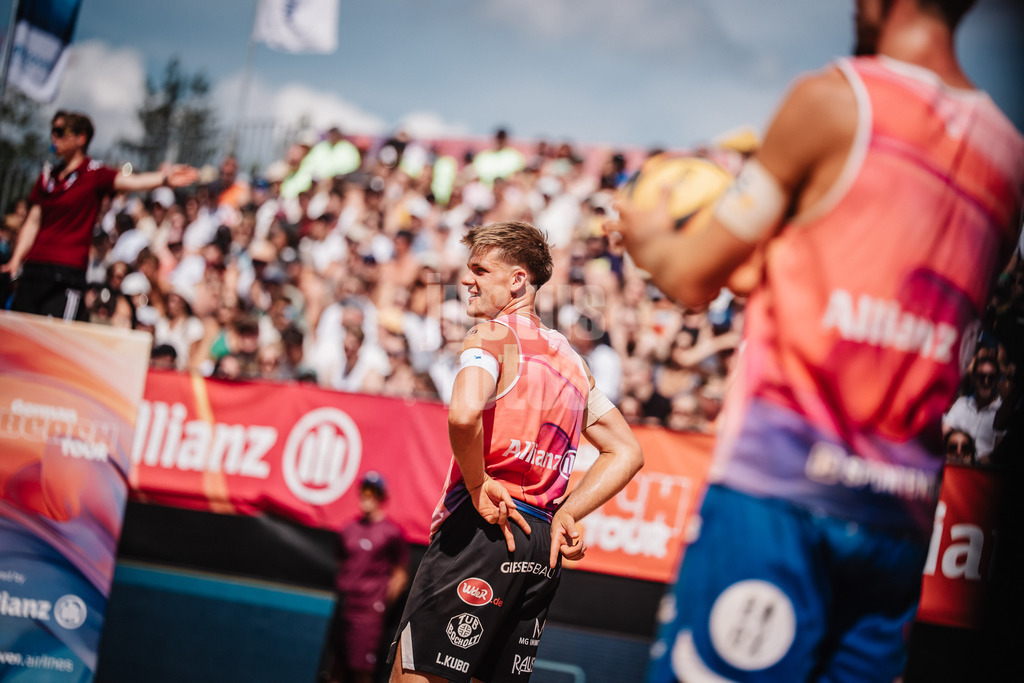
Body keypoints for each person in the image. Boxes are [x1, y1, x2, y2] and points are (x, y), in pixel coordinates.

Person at [614, 1, 1024, 681]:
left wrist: (646, 229)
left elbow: (691, 277)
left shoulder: (835, 102)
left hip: (779, 497)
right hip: (901, 522)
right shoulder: (1009, 162)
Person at [388, 221, 643, 682]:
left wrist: (478, 482)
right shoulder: (572, 359)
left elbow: (463, 415)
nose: (467, 279)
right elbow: (626, 451)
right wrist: (568, 513)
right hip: (541, 544)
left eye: (480, 270)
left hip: (486, 525)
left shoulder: (491, 336)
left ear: (517, 280)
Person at [1, 110, 198, 321]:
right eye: (52, 131)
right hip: (34, 269)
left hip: (66, 273)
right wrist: (16, 259)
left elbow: (131, 181)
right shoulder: (47, 177)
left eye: (60, 131)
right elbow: (33, 220)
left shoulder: (93, 174)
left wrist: (165, 178)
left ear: (81, 138)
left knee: (52, 343)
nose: (54, 138)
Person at [329, 472, 409, 683]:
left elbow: (400, 574)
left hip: (368, 612)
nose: (367, 497)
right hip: (344, 607)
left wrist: (379, 603)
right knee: (334, 668)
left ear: (382, 498)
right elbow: (341, 562)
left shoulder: (391, 532)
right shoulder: (348, 529)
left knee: (361, 670)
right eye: (364, 492)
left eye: (373, 493)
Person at [942, 356, 1005, 463]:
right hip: (955, 464)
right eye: (982, 376)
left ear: (998, 379)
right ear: (974, 378)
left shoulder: (1002, 411)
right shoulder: (962, 404)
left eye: (991, 377)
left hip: (983, 471)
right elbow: (944, 433)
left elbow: (1001, 451)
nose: (986, 381)